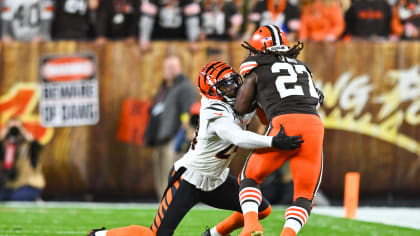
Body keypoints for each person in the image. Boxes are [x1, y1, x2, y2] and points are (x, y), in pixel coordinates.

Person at [87, 61, 303, 236]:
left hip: (217, 180)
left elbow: (270, 95)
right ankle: (99, 235)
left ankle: (215, 235)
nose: (234, 88)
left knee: (261, 209)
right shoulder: (213, 110)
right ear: (213, 92)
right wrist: (273, 142)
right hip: (189, 179)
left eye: (233, 82)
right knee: (155, 235)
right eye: (226, 86)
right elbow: (237, 136)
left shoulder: (239, 98)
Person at [234, 25, 324, 236]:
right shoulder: (302, 67)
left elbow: (240, 106)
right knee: (304, 195)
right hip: (313, 125)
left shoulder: (256, 66)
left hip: (284, 123)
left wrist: (254, 102)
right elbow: (316, 98)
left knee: (249, 177)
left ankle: (251, 225)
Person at [143, 54, 199, 199]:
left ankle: (172, 205)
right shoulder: (165, 87)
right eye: (167, 67)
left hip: (175, 138)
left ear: (179, 68)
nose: (170, 70)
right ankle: (162, 205)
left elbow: (190, 112)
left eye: (173, 67)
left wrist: (186, 135)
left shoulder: (185, 87)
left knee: (171, 174)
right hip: (160, 137)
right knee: (161, 176)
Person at [0, 118, 45, 201]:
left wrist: (25, 134)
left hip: (29, 184)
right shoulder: (5, 145)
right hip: (10, 185)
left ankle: (36, 199)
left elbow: (39, 148)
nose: (14, 131)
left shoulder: (28, 144)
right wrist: (2, 136)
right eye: (11, 128)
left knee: (18, 198)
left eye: (17, 128)